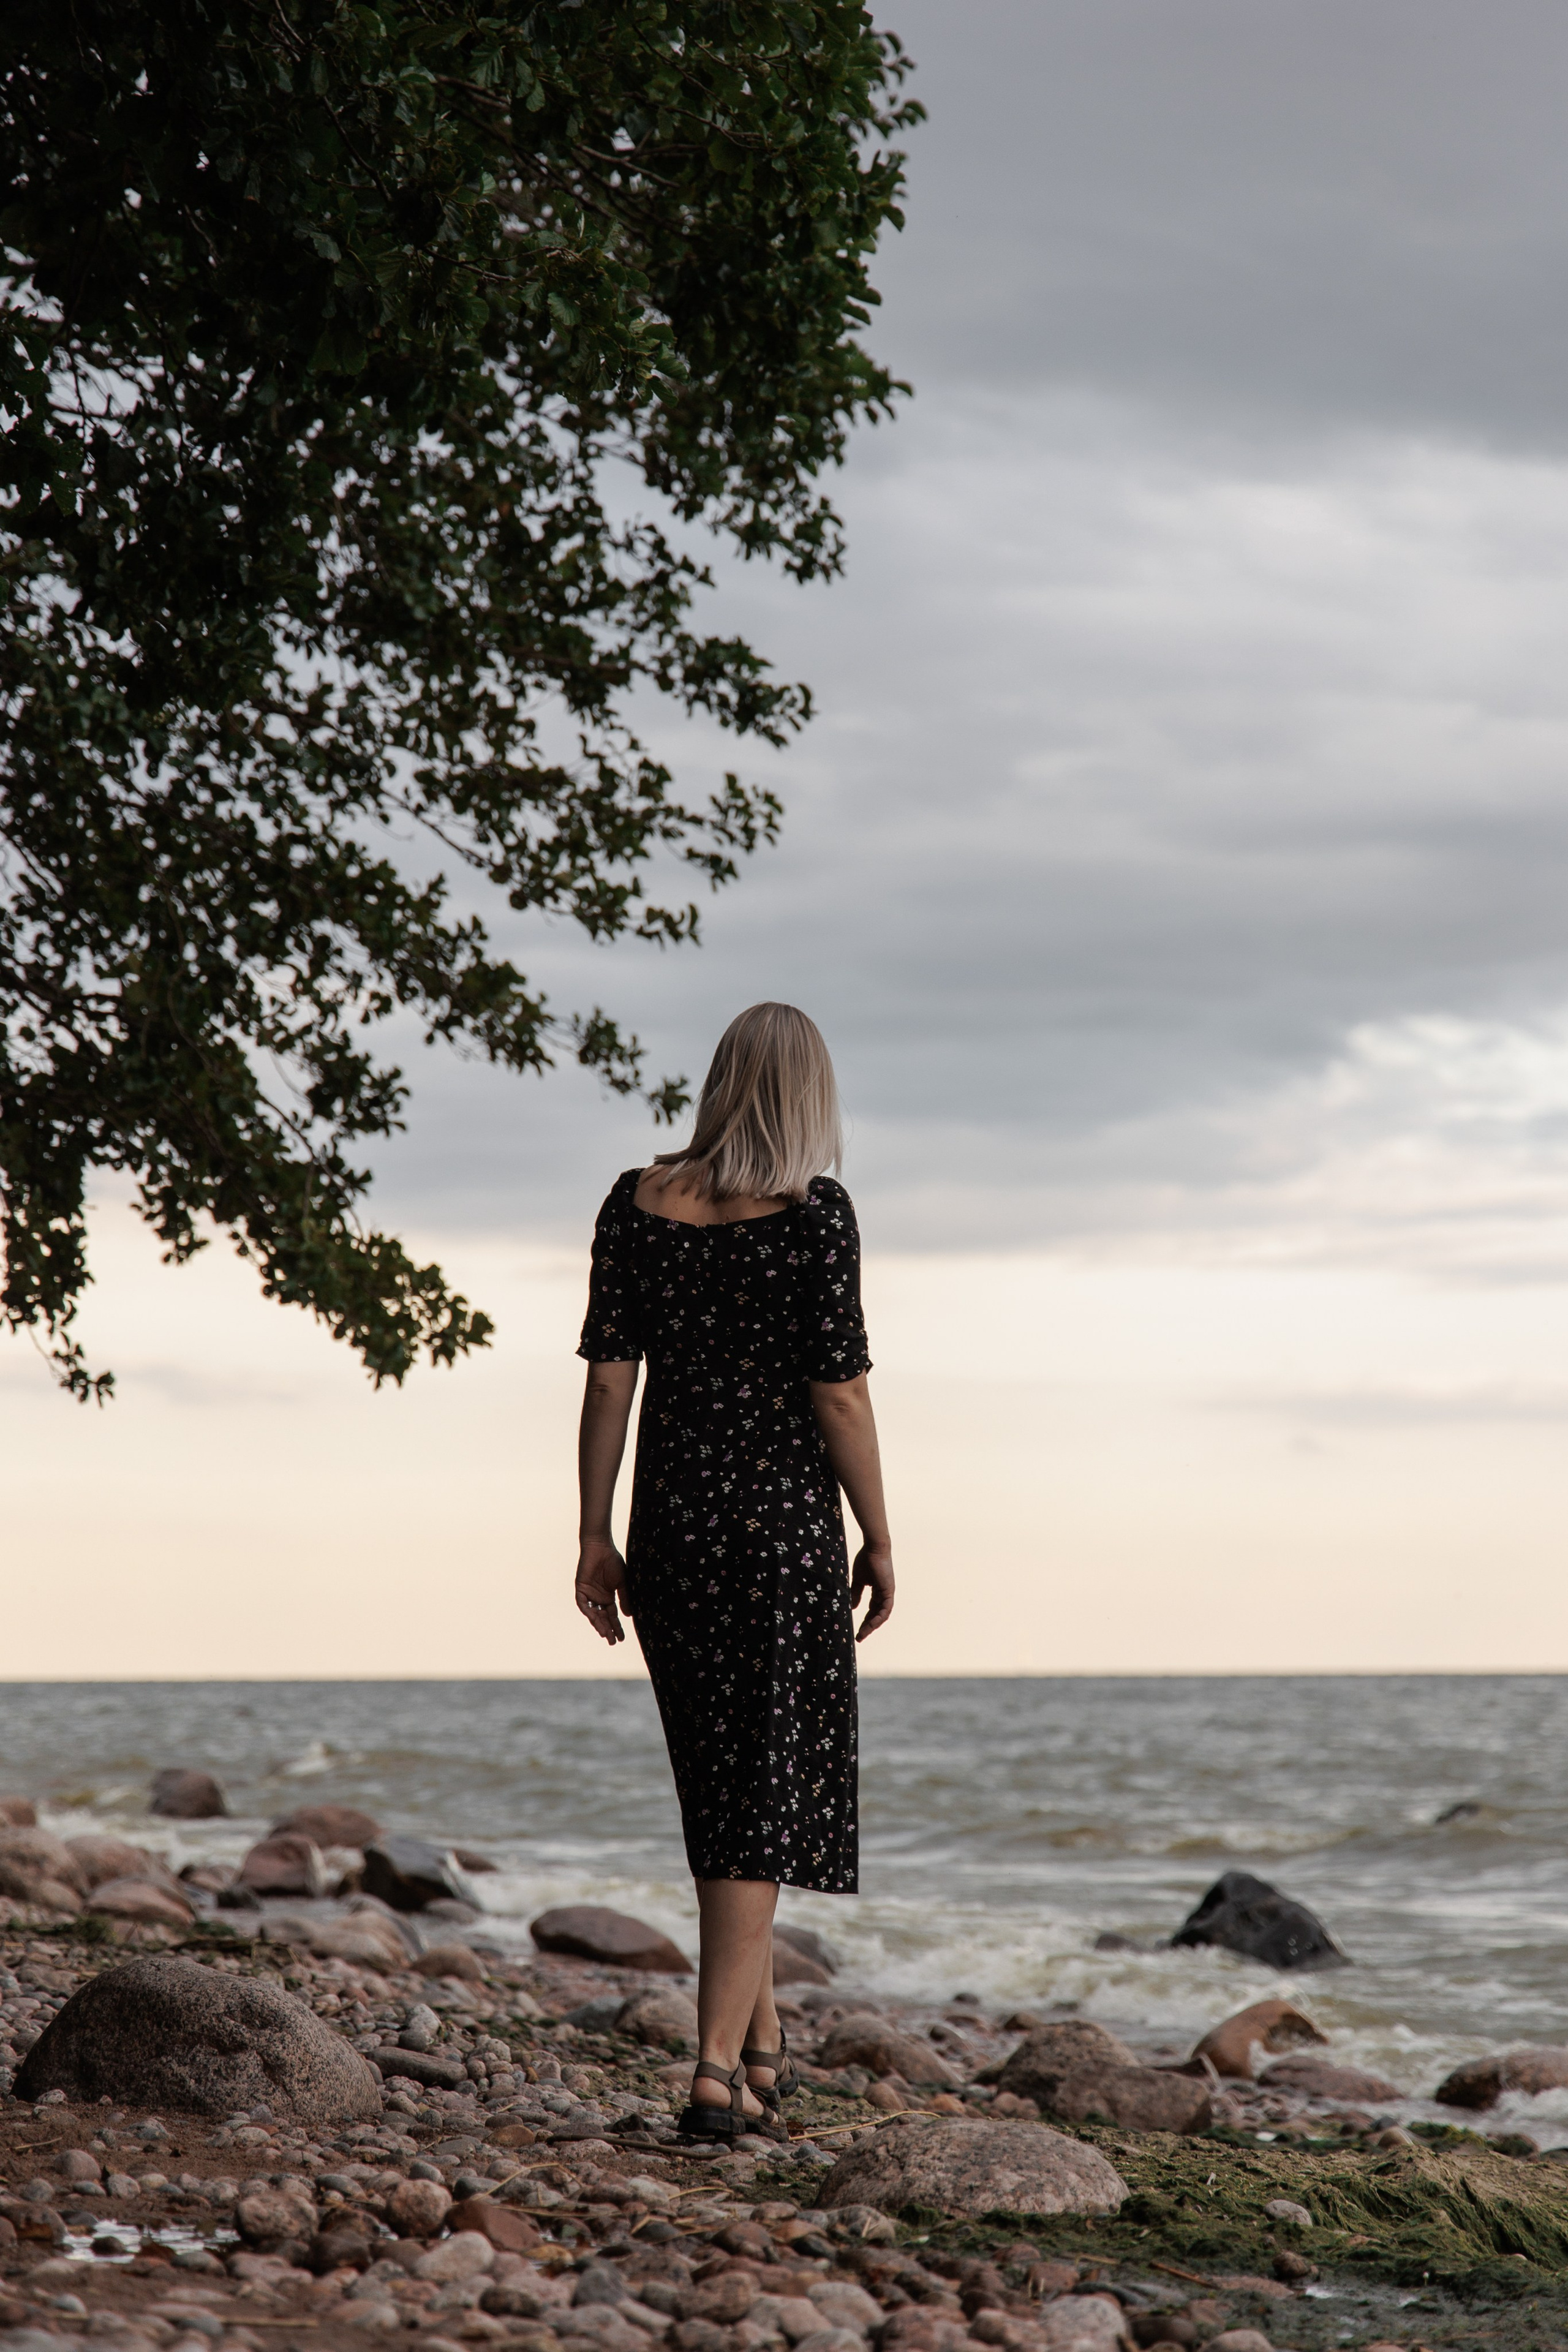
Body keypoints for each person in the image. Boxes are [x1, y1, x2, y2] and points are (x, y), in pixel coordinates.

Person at [573, 1001, 895, 2141]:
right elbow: (841, 1393)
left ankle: (762, 2053)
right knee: (755, 1799)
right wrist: (883, 1533)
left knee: (722, 1785)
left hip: (672, 1531)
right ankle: (713, 2073)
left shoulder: (635, 1203)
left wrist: (594, 1532)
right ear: (808, 1098)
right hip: (778, 1533)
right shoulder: (815, 1219)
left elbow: (611, 1381)